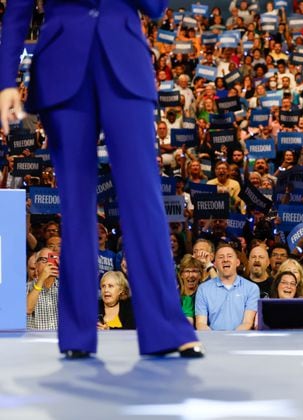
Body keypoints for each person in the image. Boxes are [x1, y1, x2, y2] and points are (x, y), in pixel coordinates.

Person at [0, 0, 201, 357]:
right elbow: (17, 11)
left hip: (124, 60)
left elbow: (154, 7)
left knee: (144, 199)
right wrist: (5, 80)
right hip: (61, 64)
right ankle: (77, 335)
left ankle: (166, 329)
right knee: (76, 207)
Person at [195, 244, 259, 331]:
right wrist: (215, 341)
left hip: (241, 341)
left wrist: (231, 340)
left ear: (237, 262)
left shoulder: (251, 288)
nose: (225, 260)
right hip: (213, 341)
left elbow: (247, 323)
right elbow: (201, 323)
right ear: (215, 264)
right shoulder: (203, 289)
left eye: (229, 256)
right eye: (221, 257)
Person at [26, 247, 59, 330]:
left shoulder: (65, 288)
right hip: (36, 341)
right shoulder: (26, 287)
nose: (49, 263)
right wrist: (41, 279)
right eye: (44, 260)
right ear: (36, 265)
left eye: (52, 258)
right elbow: (27, 309)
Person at [178, 255, 205, 326]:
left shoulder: (205, 295)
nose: (190, 275)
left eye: (194, 271)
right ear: (181, 275)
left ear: (200, 275)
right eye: (187, 271)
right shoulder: (174, 294)